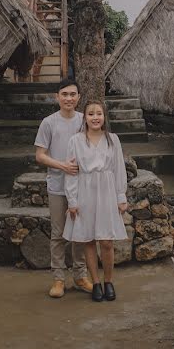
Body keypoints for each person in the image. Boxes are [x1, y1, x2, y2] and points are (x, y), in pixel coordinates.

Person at [63, 99, 129, 302]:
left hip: (107, 191)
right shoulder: (75, 140)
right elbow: (72, 173)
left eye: (98, 113)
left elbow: (119, 169)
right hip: (85, 191)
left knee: (106, 241)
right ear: (85, 118)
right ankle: (96, 283)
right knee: (89, 240)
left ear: (104, 117)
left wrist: (121, 196)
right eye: (91, 114)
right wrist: (72, 201)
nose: (95, 117)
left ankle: (108, 281)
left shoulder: (113, 140)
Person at [34, 79, 92, 298]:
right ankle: (58, 279)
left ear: (79, 97)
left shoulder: (83, 121)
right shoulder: (48, 123)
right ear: (57, 97)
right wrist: (63, 166)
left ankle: (80, 276)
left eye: (73, 94)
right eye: (64, 94)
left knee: (80, 233)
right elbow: (39, 156)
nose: (69, 98)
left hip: (82, 188)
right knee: (58, 234)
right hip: (57, 186)